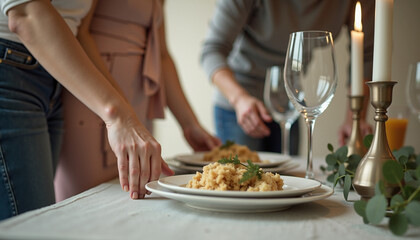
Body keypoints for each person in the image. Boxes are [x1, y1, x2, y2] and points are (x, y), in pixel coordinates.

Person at [0, 0, 169, 220]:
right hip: (10, 67)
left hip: (57, 74)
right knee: (34, 224)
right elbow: (25, 13)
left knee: (42, 218)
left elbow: (80, 32)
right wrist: (118, 115)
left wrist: (125, 111)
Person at [54, 0, 221, 201]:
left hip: (138, 98)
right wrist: (120, 111)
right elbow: (79, 33)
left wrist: (189, 124)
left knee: (135, 200)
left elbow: (162, 55)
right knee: (90, 204)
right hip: (97, 98)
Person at [200, 0, 374, 154]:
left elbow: (366, 55)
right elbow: (212, 50)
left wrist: (355, 118)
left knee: (287, 181)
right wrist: (239, 98)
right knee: (240, 184)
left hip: (290, 102)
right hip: (239, 104)